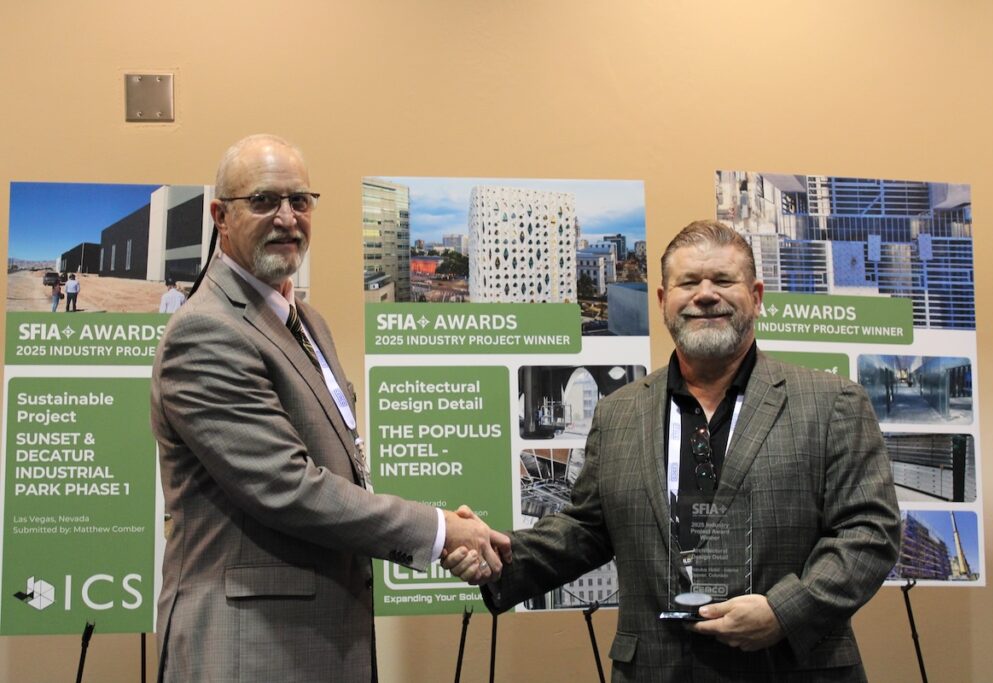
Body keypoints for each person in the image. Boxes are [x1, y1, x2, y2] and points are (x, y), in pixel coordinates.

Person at [445, 220, 900, 681]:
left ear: (757, 297)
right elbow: (587, 528)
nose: (705, 294)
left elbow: (869, 531)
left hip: (791, 667)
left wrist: (784, 612)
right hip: (657, 668)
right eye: (688, 282)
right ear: (664, 302)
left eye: (723, 280)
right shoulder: (619, 413)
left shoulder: (831, 402)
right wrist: (499, 555)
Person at [151, 134, 509, 683]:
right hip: (249, 651)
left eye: (300, 201)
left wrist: (446, 534)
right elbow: (287, 487)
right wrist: (438, 533)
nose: (287, 218)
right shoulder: (206, 330)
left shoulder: (308, 322)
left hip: (318, 641)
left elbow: (342, 464)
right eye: (265, 201)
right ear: (220, 216)